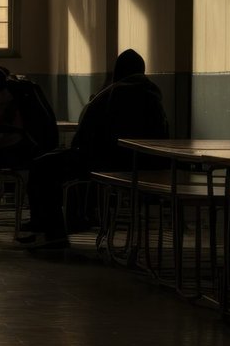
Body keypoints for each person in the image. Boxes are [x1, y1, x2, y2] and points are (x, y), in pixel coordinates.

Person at [20, 48, 170, 248]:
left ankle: (51, 230)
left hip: (105, 160)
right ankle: (65, 222)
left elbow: (85, 135)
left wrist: (77, 149)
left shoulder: (110, 94)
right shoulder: (154, 97)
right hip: (140, 163)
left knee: (42, 166)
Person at [0, 64, 59, 230]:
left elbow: (6, 133)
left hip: (25, 150)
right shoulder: (17, 92)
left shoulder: (7, 98)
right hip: (31, 147)